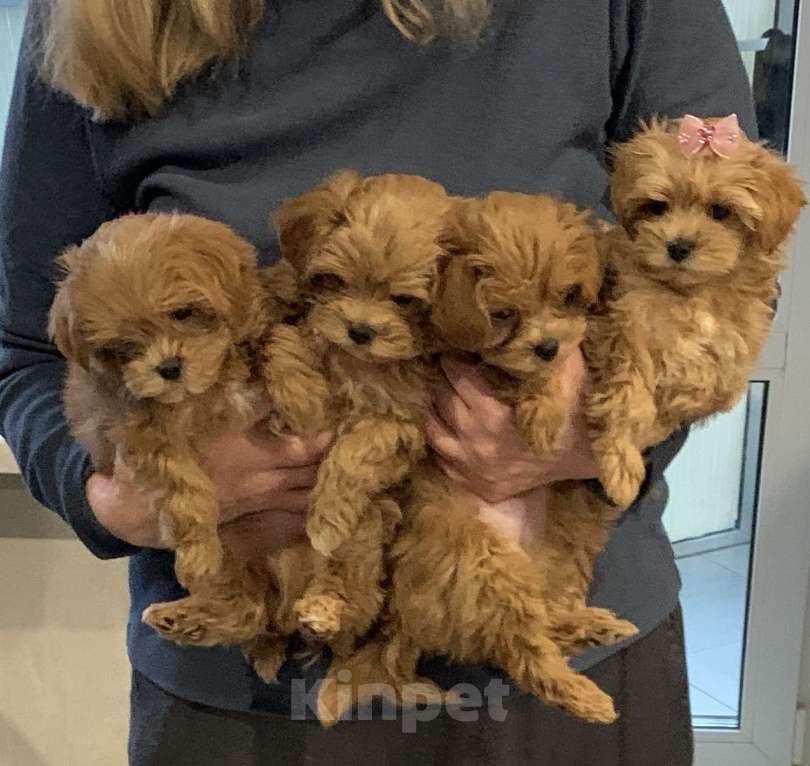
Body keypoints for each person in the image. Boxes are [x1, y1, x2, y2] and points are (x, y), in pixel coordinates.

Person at [0, 1, 755, 764]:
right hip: (244, 679)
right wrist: (118, 498)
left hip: (557, 636)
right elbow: (27, 344)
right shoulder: (95, 14)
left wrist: (596, 436)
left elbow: (728, 273)